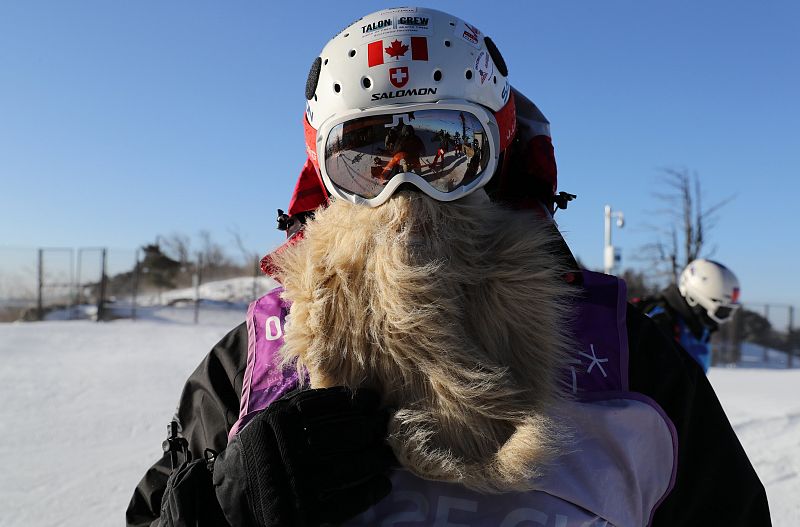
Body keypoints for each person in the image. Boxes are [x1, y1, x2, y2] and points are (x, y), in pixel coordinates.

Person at [127, 7, 770, 527]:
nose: (406, 191)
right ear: (326, 176)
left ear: (499, 156)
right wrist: (219, 505)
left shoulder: (628, 357)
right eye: (369, 158)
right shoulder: (253, 364)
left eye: (446, 151)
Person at [635, 259, 741, 373]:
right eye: (722, 311)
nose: (726, 319)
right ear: (697, 299)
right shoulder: (659, 322)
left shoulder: (699, 328)